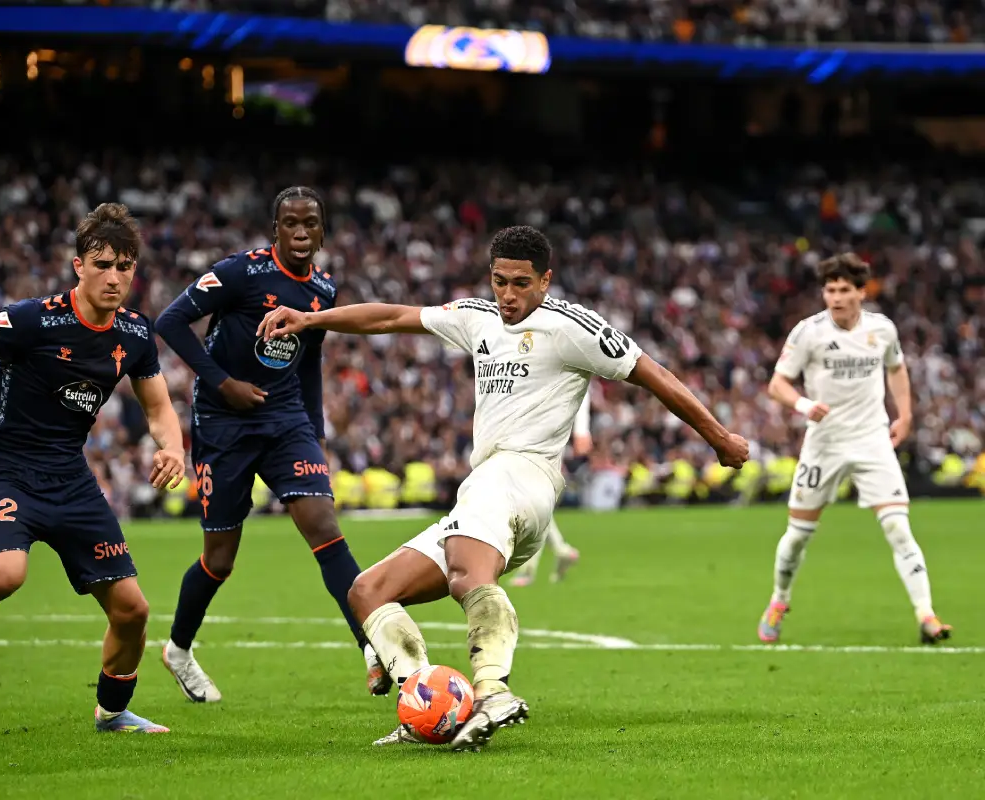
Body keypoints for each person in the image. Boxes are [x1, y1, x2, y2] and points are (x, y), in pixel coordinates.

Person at [258, 225, 749, 751]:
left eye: (521, 283)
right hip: (486, 485)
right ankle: (424, 702)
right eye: (499, 282)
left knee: (466, 577)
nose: (508, 295)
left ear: (545, 280)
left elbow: (653, 374)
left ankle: (493, 691)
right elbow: (393, 316)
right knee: (368, 591)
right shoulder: (478, 317)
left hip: (525, 475)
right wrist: (312, 319)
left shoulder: (574, 327)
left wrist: (719, 438)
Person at [0, 203, 185, 734]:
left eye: (125, 266)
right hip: (8, 469)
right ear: (78, 266)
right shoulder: (32, 319)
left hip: (70, 478)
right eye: (103, 263)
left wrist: (173, 448)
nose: (114, 277)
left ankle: (112, 712)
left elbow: (159, 408)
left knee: (133, 611)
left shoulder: (135, 335)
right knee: (3, 575)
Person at [154, 186, 386, 703]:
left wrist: (316, 435)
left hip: (285, 423)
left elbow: (308, 365)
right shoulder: (240, 272)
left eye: (310, 224)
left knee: (324, 528)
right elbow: (170, 322)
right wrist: (223, 384)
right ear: (274, 229)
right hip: (222, 424)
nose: (300, 233)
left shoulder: (322, 292)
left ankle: (370, 646)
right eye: (290, 224)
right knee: (220, 559)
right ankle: (178, 650)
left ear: (323, 231)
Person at [758, 253, 952, 646]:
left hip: (872, 439)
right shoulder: (807, 332)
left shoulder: (882, 330)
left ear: (861, 292)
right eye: (830, 290)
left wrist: (906, 414)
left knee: (898, 527)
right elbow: (777, 384)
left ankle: (927, 615)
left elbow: (896, 369)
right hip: (824, 443)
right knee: (797, 536)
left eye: (845, 290)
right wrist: (803, 405)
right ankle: (779, 600)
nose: (836, 297)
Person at [508, 391, 590, 587]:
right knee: (539, 513)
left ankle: (529, 570)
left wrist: (582, 431)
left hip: (542, 464)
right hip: (546, 463)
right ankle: (562, 550)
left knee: (533, 512)